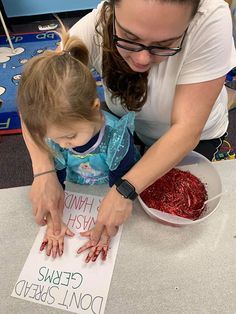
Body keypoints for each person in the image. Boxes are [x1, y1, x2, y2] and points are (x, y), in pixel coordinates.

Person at [21, 0, 236, 258]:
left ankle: (223, 96)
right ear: (113, 11)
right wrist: (43, 171)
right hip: (131, 132)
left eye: (165, 45)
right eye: (129, 38)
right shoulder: (98, 22)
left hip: (193, 140)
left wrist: (125, 189)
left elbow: (187, 130)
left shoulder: (211, 18)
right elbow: (35, 94)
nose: (143, 58)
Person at [17, 26, 138, 261]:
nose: (62, 144)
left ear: (95, 109)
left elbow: (119, 185)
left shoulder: (116, 139)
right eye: (55, 138)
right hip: (77, 190)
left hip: (108, 188)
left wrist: (104, 227)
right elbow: (56, 179)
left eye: (70, 136)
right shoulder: (56, 135)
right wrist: (55, 220)